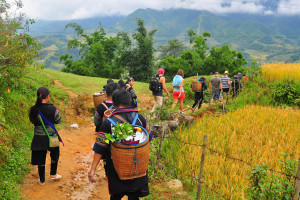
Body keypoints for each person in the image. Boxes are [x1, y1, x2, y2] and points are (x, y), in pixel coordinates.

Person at [88, 88, 152, 200]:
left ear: (114, 102)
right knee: (134, 196)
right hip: (137, 167)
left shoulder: (109, 123)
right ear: (129, 101)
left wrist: (93, 169)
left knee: (116, 196)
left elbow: (100, 147)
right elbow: (149, 137)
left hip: (117, 170)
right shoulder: (140, 119)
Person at [28, 87, 62, 185]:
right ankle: (53, 174)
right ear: (47, 97)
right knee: (55, 153)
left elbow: (32, 120)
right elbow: (58, 120)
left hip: (39, 138)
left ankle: (42, 180)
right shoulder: (53, 108)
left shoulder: (34, 109)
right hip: (52, 137)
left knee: (41, 157)